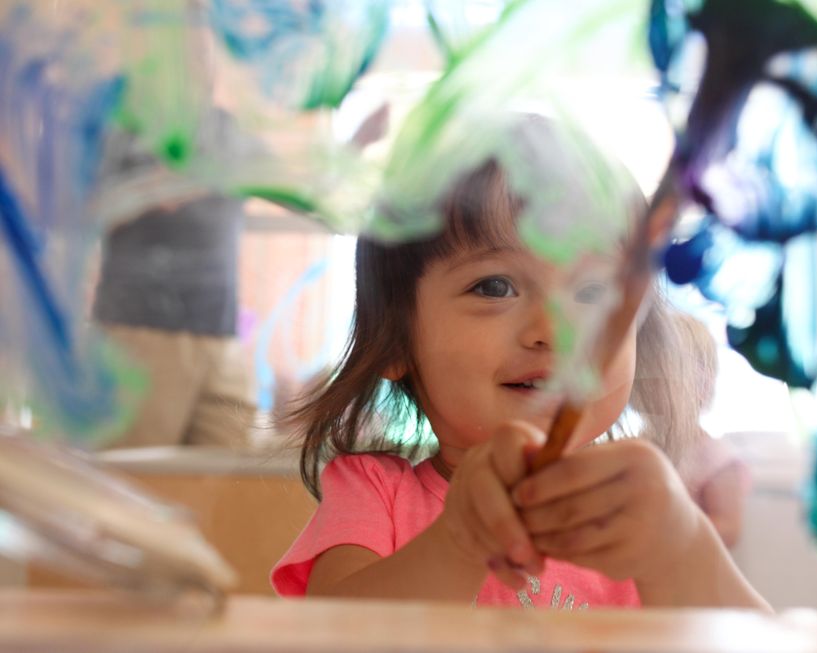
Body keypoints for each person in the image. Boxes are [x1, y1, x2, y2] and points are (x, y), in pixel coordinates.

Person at [271, 116, 768, 609]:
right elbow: (330, 634)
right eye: (494, 287)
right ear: (395, 340)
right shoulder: (374, 494)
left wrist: (682, 548)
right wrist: (458, 542)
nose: (554, 332)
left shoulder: (642, 514)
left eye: (593, 292)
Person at [92, 117, 256, 449]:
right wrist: (153, 189)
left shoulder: (231, 134)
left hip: (221, 336)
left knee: (224, 480)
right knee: (135, 478)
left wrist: (358, 143)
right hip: (140, 334)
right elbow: (77, 210)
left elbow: (298, 185)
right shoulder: (120, 130)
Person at [670, 311, 752, 549]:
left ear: (703, 384)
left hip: (689, 574)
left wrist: (669, 527)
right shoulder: (637, 443)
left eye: (670, 371)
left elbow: (729, 530)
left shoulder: (715, 456)